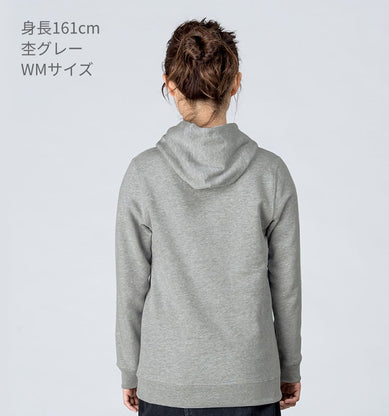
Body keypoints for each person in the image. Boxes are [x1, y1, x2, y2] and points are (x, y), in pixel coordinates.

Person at [115, 18, 302, 415]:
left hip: (167, 382)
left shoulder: (144, 173)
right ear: (235, 83)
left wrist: (131, 370)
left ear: (170, 85)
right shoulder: (270, 173)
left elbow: (131, 286)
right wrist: (289, 367)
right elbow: (286, 288)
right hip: (250, 381)